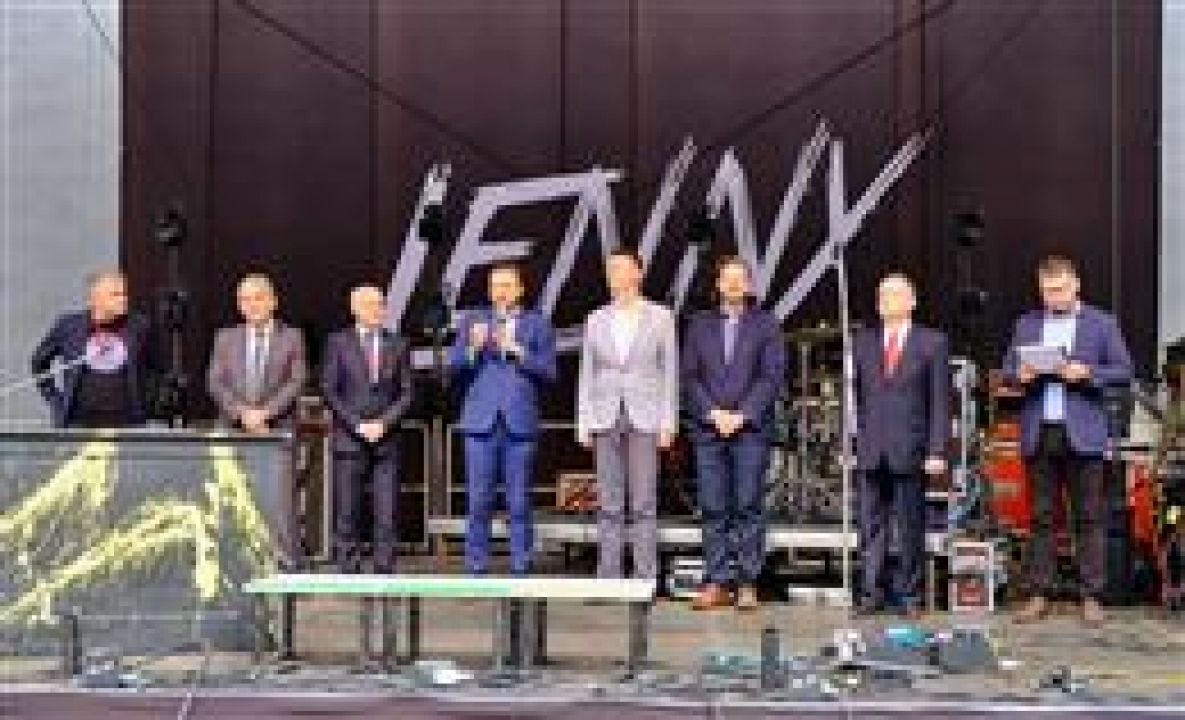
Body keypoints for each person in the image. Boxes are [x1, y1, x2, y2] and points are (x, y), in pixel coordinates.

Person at [1005, 255, 1132, 626]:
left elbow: (1124, 371)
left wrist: (1087, 372)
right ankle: (1039, 594)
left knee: (1089, 516)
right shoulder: (1027, 323)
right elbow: (1008, 368)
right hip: (1040, 428)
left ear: (1076, 284)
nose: (1053, 297)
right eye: (1046, 291)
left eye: (1059, 290)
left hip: (1084, 431)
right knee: (1041, 517)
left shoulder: (1102, 323)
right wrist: (1020, 374)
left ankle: (1091, 595)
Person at [681, 256, 786, 611]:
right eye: (727, 278)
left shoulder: (766, 323)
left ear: (749, 285)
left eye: (740, 278)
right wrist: (713, 413)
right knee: (713, 507)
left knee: (748, 505)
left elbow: (771, 377)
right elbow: (689, 376)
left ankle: (747, 582)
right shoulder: (699, 324)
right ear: (718, 284)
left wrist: (741, 415)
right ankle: (717, 580)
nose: (733, 284)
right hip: (708, 428)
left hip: (750, 428)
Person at [448, 263, 557, 576]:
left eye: (507, 285)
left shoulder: (537, 323)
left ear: (520, 289)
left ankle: (521, 565)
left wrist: (520, 352)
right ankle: (476, 567)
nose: (501, 291)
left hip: (519, 423)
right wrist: (473, 347)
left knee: (519, 501)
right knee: (478, 500)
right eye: (496, 285)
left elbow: (550, 372)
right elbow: (454, 365)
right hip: (480, 423)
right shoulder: (473, 320)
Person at [577, 248, 678, 579]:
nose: (614, 275)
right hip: (605, 413)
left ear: (638, 272)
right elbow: (587, 373)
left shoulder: (661, 317)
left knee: (644, 502)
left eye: (621, 268)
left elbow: (669, 372)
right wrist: (584, 421)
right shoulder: (595, 318)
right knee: (609, 503)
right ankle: (609, 576)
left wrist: (668, 422)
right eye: (610, 270)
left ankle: (645, 577)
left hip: (646, 414)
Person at [852, 273, 949, 618]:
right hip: (871, 447)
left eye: (895, 294)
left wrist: (937, 450)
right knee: (870, 527)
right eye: (882, 295)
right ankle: (871, 593)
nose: (887, 301)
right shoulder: (863, 342)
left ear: (912, 301)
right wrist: (853, 442)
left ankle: (909, 596)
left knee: (910, 526)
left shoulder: (932, 342)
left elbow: (939, 401)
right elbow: (856, 397)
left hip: (911, 447)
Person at [207, 273, 308, 568]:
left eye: (258, 298)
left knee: (280, 502)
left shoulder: (292, 337)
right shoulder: (225, 338)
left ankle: (286, 567)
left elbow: (297, 381)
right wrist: (243, 414)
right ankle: (232, 565)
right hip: (233, 429)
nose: (251, 305)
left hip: (276, 431)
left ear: (273, 301)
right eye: (245, 300)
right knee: (231, 498)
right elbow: (215, 382)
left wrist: (265, 414)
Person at [321, 285, 413, 574]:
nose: (376, 309)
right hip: (350, 437)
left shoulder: (398, 344)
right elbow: (329, 390)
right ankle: (348, 568)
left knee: (387, 510)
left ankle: (384, 569)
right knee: (347, 509)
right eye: (369, 304)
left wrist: (384, 423)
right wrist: (358, 424)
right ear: (354, 308)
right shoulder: (338, 342)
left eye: (380, 304)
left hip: (387, 439)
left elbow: (407, 393)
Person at [32, 270, 155, 428]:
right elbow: (39, 363)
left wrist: (146, 402)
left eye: (124, 294)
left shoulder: (138, 326)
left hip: (127, 422)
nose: (124, 299)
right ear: (95, 299)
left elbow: (154, 368)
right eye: (115, 295)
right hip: (77, 422)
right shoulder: (69, 326)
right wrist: (56, 401)